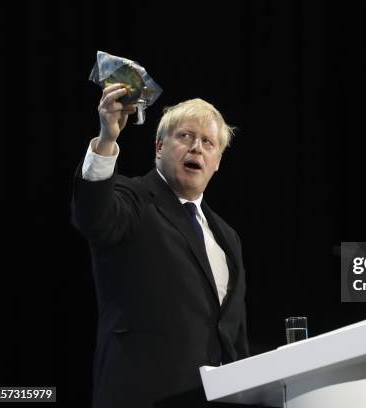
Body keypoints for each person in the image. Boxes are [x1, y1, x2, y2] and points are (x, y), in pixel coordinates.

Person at [72, 83, 250, 408]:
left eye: (208, 142)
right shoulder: (132, 198)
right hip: (144, 396)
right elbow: (92, 217)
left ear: (218, 162)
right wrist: (107, 138)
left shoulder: (227, 236)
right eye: (185, 136)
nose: (196, 147)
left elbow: (232, 334)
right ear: (158, 147)